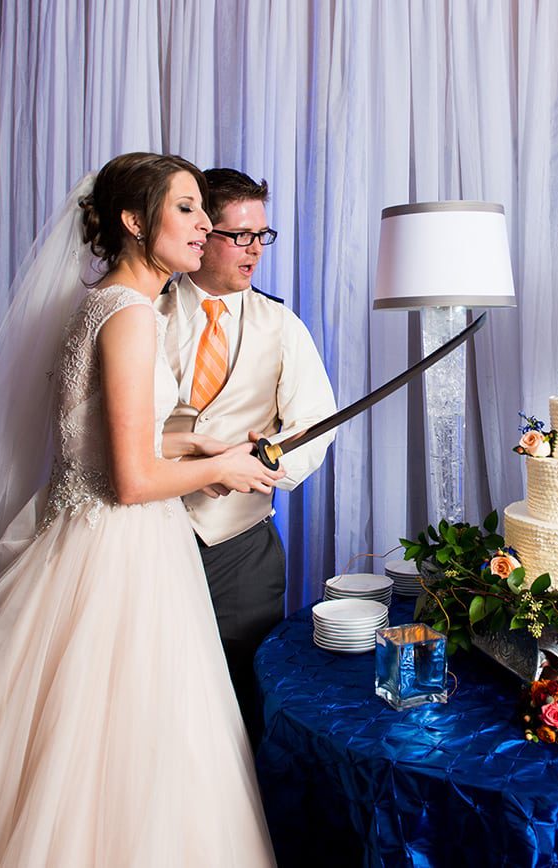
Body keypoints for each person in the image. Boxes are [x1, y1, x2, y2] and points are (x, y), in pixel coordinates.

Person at [0, 153, 276, 866]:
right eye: (186, 208)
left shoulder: (99, 302)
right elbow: (130, 482)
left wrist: (194, 442)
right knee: (129, 746)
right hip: (120, 558)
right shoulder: (133, 316)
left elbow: (94, 439)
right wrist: (225, 467)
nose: (204, 225)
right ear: (133, 221)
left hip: (77, 540)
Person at [156, 168, 335, 737]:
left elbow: (315, 426)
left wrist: (267, 464)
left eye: (263, 235)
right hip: (148, 533)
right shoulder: (144, 313)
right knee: (154, 690)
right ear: (200, 232)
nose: (255, 249)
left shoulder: (281, 324)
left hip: (242, 548)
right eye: (240, 235)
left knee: (241, 700)